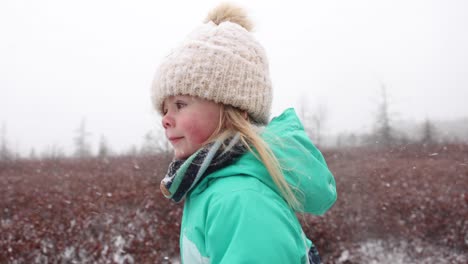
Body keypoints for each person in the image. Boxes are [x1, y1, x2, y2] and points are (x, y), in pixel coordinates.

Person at [151, 3, 337, 264]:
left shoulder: (240, 199)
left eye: (180, 105)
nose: (166, 120)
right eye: (164, 109)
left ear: (235, 110)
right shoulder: (214, 188)